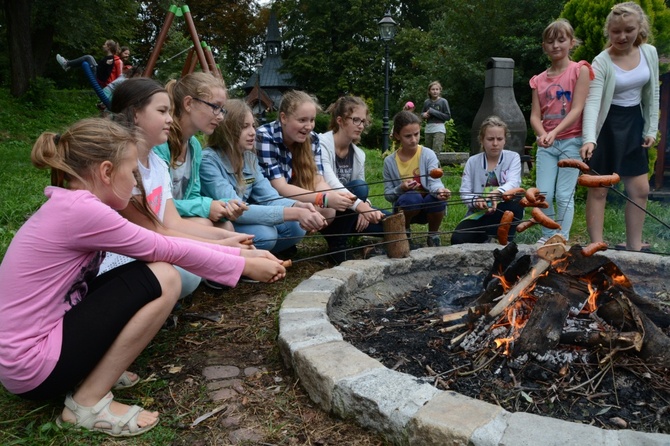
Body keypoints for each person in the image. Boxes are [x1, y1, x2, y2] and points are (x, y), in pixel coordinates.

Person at [0, 118, 285, 437]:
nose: (137, 185)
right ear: (106, 172)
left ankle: (92, 371)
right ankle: (86, 403)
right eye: (133, 173)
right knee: (164, 277)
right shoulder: (83, 211)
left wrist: (236, 251)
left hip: (31, 353)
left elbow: (162, 243)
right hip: (32, 366)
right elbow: (162, 247)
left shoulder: (72, 203)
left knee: (149, 272)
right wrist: (243, 265)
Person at [100, 77, 254, 297]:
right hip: (118, 260)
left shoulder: (157, 163)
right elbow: (157, 230)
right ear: (135, 114)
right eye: (162, 111)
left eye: (170, 112)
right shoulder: (123, 167)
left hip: (148, 245)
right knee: (185, 275)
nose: (170, 120)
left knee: (220, 238)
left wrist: (226, 242)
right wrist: (225, 248)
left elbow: (172, 222)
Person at [580, 2, 659, 252]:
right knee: (600, 189)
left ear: (640, 28)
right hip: (607, 126)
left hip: (634, 123)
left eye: (629, 29)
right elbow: (592, 103)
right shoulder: (601, 61)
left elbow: (652, 92)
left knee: (640, 189)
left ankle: (634, 246)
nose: (622, 36)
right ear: (609, 32)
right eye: (616, 31)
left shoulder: (649, 53)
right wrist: (589, 139)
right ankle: (596, 245)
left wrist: (650, 129)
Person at [200, 99, 327, 254]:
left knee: (295, 228)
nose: (253, 132)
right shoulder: (208, 161)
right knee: (267, 235)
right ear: (226, 129)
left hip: (241, 220)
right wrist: (295, 213)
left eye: (253, 125)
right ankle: (243, 261)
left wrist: (297, 206)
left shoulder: (249, 158)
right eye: (244, 127)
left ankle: (259, 255)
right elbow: (236, 212)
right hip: (221, 223)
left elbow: (270, 197)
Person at [256, 90, 357, 264]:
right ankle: (285, 242)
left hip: (297, 197)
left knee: (332, 208)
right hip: (268, 200)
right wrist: (323, 199)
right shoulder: (265, 136)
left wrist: (336, 196)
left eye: (311, 120)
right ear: (283, 117)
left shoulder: (313, 139)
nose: (309, 126)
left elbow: (317, 180)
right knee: (321, 208)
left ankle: (325, 242)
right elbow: (280, 187)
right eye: (302, 120)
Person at [153, 72, 248, 227]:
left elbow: (192, 197)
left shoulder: (194, 146)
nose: (220, 117)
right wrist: (206, 207)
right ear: (189, 103)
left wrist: (225, 205)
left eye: (222, 109)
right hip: (156, 220)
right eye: (215, 107)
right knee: (207, 225)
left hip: (177, 217)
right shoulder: (160, 143)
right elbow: (157, 202)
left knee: (226, 225)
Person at [529, 19, 594, 243]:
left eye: (561, 40)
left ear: (571, 42)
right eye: (550, 41)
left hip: (571, 142)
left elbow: (577, 108)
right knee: (544, 194)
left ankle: (562, 238)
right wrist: (542, 134)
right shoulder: (538, 80)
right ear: (544, 46)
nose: (556, 45)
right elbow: (535, 116)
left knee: (565, 194)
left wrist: (554, 132)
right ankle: (549, 237)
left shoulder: (580, 70)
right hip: (547, 145)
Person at [451, 116, 524, 245]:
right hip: (479, 215)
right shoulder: (472, 162)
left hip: (503, 211)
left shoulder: (513, 158)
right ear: (482, 140)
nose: (495, 143)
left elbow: (514, 183)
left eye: (499, 139)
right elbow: (465, 191)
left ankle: (505, 240)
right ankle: (486, 238)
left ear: (505, 140)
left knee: (517, 202)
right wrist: (475, 200)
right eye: (490, 139)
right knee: (457, 239)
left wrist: (498, 193)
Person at [319, 96, 386, 236]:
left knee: (389, 222)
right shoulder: (321, 144)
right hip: (325, 207)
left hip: (350, 209)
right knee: (359, 187)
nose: (361, 126)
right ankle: (338, 244)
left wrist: (365, 206)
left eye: (363, 121)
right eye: (355, 120)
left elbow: (362, 190)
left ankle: (347, 234)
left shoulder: (359, 154)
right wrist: (360, 206)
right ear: (340, 121)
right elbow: (330, 182)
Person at [383, 110, 450, 247]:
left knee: (437, 200)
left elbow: (434, 181)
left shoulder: (428, 155)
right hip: (406, 206)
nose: (413, 140)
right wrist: (401, 188)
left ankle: (433, 235)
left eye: (416, 134)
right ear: (397, 135)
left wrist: (439, 190)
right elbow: (388, 195)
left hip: (427, 206)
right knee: (412, 197)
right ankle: (405, 231)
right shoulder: (389, 162)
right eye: (408, 136)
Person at [56, 40, 123, 87]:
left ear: (109, 47)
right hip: (99, 76)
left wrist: (105, 64)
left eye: (105, 44)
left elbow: (105, 72)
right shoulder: (108, 58)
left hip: (98, 79)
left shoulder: (110, 59)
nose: (103, 46)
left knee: (88, 57)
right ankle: (68, 65)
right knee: (89, 58)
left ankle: (67, 64)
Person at [421, 81, 451, 153]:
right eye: (433, 89)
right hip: (428, 129)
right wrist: (423, 115)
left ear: (440, 90)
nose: (435, 91)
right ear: (429, 91)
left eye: (437, 89)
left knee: (436, 152)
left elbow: (447, 116)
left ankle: (436, 164)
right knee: (428, 152)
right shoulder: (427, 102)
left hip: (439, 129)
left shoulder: (443, 101)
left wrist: (433, 112)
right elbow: (422, 113)